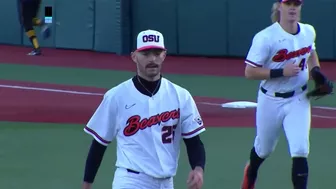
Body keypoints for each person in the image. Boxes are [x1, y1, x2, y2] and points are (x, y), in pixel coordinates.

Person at [82, 29, 206, 189]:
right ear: (134, 56)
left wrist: (198, 168)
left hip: (167, 182)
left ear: (164, 55)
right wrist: (86, 184)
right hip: (130, 180)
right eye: (145, 54)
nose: (152, 59)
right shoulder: (116, 96)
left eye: (157, 53)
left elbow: (194, 142)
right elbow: (99, 145)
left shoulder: (181, 96)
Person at [240, 0, 333, 189]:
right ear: (279, 6)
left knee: (300, 149)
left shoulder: (308, 31)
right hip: (270, 99)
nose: (292, 7)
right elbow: (249, 72)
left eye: (296, 3)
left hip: (298, 98)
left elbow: (311, 52)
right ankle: (250, 175)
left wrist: (316, 73)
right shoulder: (266, 37)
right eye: (288, 2)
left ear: (301, 7)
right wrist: (280, 72)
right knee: (263, 150)